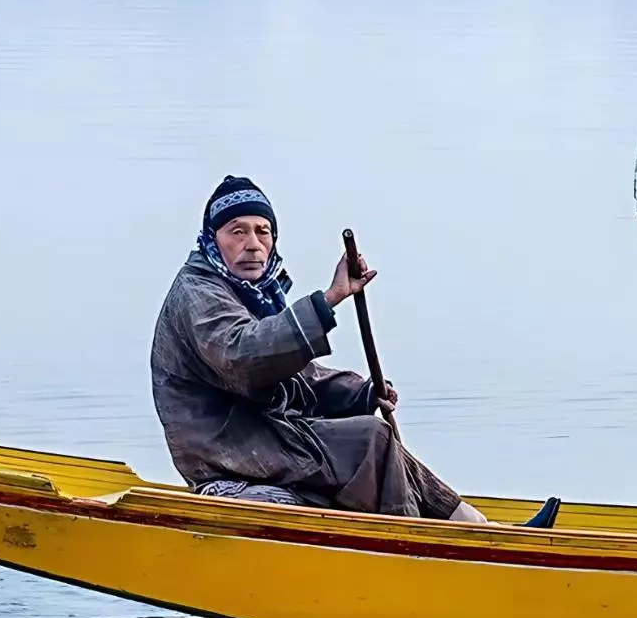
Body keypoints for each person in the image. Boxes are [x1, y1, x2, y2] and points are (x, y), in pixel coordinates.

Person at [151, 176, 486, 521]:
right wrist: (329, 300)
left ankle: (474, 523)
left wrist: (362, 394)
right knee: (370, 439)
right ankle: (412, 544)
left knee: (380, 445)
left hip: (263, 438)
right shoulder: (197, 293)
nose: (253, 244)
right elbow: (246, 357)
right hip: (226, 450)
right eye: (237, 231)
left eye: (262, 231)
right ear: (212, 238)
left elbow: (296, 376)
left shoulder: (252, 293)